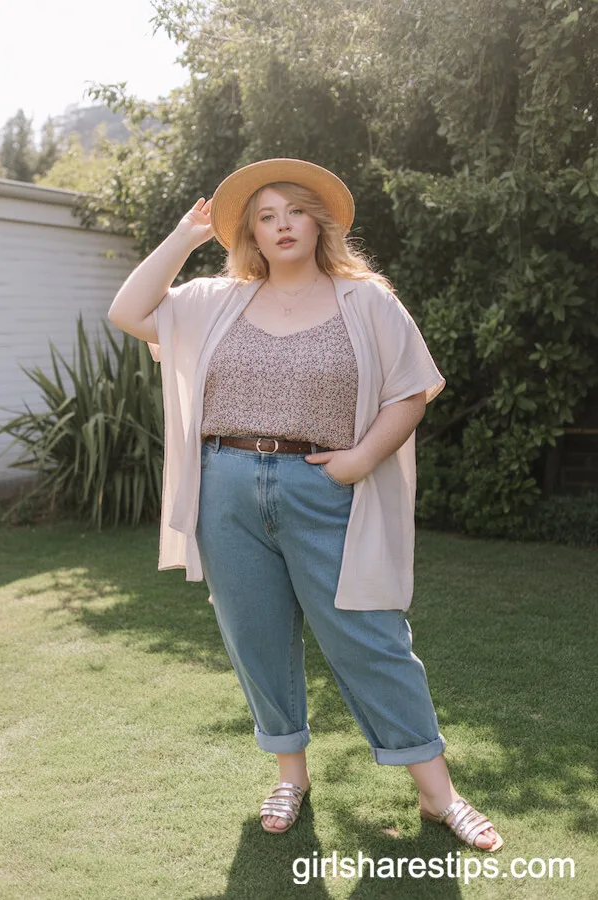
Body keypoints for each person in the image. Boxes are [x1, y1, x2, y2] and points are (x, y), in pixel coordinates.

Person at [108, 157, 503, 851]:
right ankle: (291, 772)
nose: (281, 224)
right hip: (225, 487)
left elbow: (414, 387)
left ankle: (439, 795)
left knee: (372, 639)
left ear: (317, 221)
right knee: (255, 637)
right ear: (251, 235)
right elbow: (129, 312)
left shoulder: (366, 300)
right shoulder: (216, 300)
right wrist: (182, 236)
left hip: (324, 488)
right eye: (265, 215)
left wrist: (359, 458)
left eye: (293, 210)